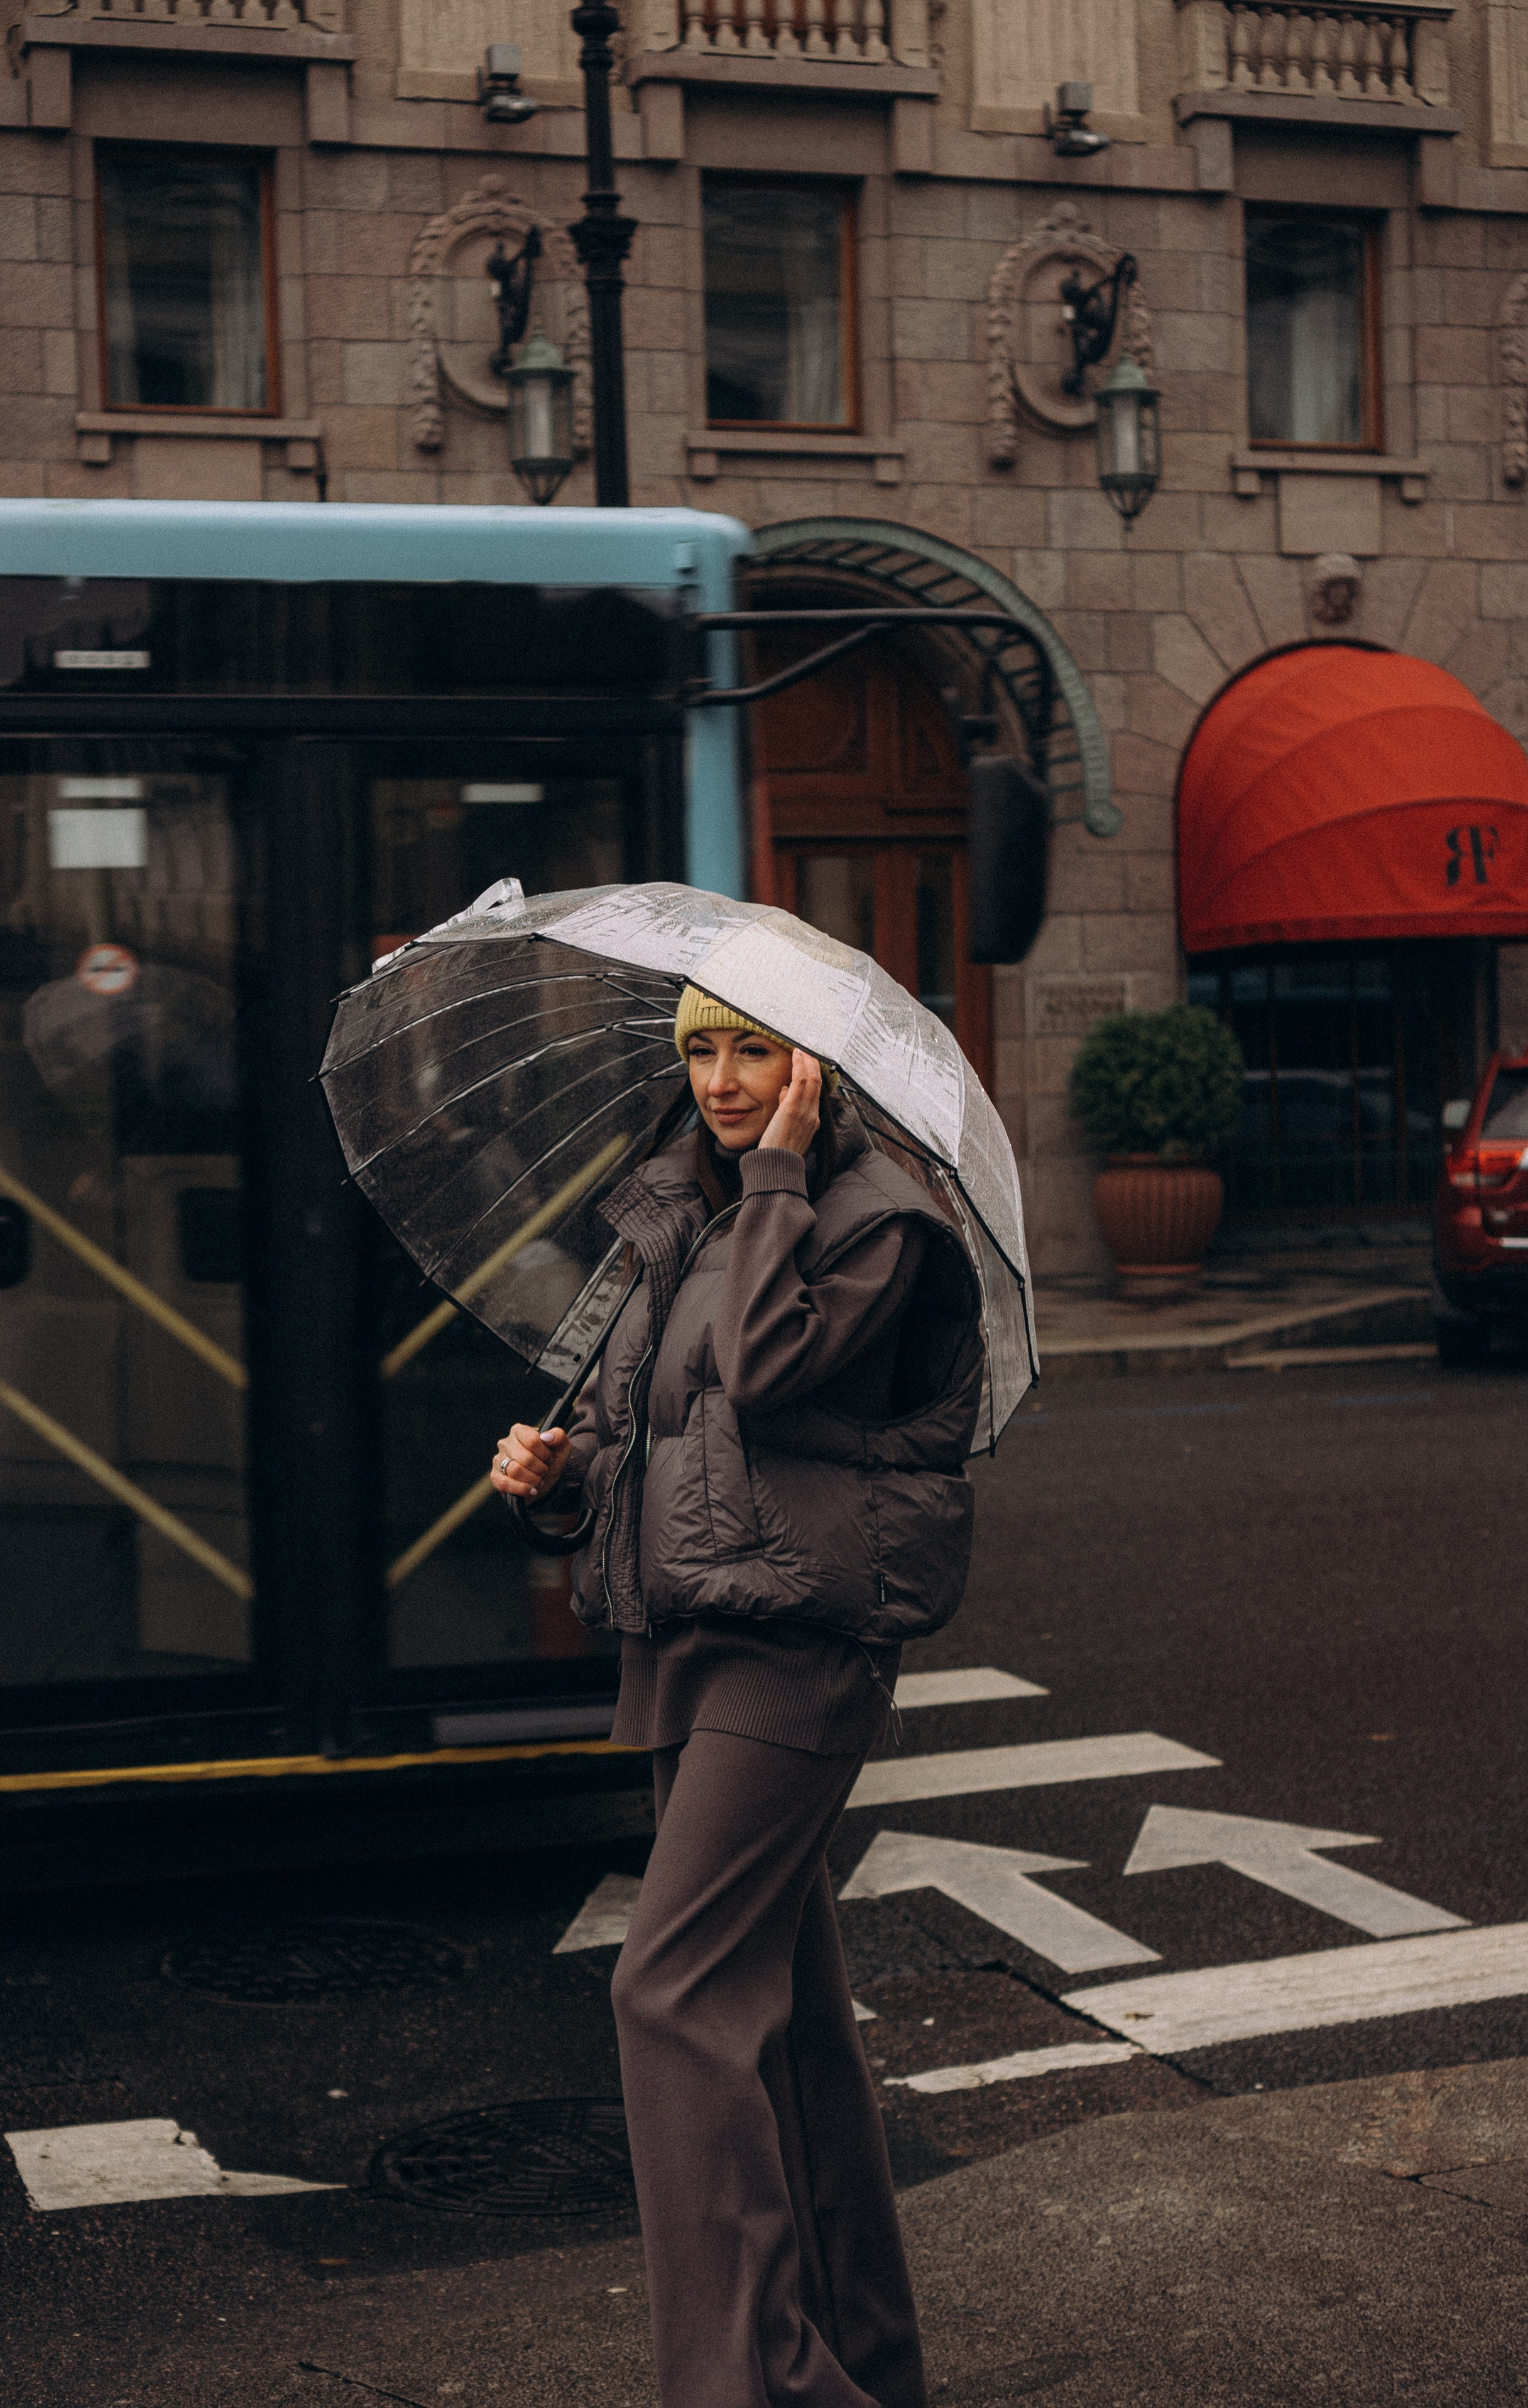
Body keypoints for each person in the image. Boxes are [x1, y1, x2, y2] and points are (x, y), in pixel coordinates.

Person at [491, 984, 985, 2408]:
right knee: (789, 2020)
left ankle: (750, 2384)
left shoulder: (881, 1222)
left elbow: (764, 1372)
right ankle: (865, 2362)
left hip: (803, 1641)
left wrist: (777, 1173)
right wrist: (558, 1475)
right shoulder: (681, 1216)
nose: (720, 1080)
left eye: (752, 1049)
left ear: (812, 1069)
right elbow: (648, 1427)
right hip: (689, 1636)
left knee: (670, 1992)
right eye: (699, 1050)